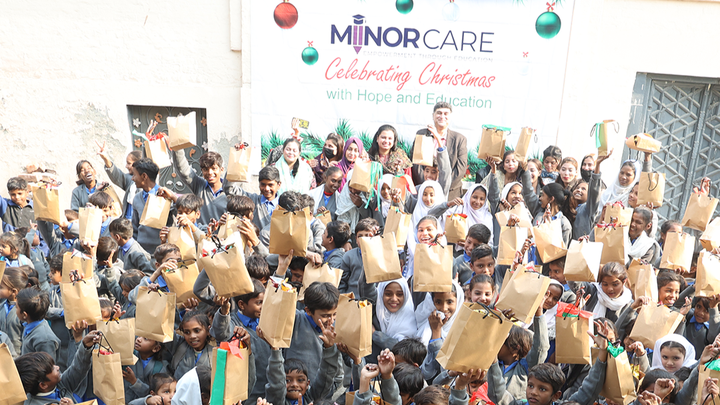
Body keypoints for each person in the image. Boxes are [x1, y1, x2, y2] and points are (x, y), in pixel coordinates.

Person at [15, 329, 102, 404]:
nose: (58, 367)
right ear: (43, 385)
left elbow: (77, 369)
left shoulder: (60, 384)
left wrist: (85, 346)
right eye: (53, 368)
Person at [411, 102, 467, 201]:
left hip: (450, 194)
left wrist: (443, 187)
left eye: (446, 114)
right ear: (433, 115)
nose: (442, 116)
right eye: (439, 113)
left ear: (450, 117)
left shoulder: (459, 139)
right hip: (424, 193)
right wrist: (427, 186)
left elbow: (460, 169)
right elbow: (416, 164)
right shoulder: (422, 134)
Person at [97, 142, 142, 219]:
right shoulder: (131, 180)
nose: (126, 166)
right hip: (127, 221)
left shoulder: (148, 184)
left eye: (129, 163)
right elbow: (117, 175)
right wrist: (105, 158)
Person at [17, 288, 59, 360]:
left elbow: (47, 365)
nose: (15, 310)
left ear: (24, 314)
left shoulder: (44, 339)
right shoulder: (29, 326)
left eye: (16, 307)